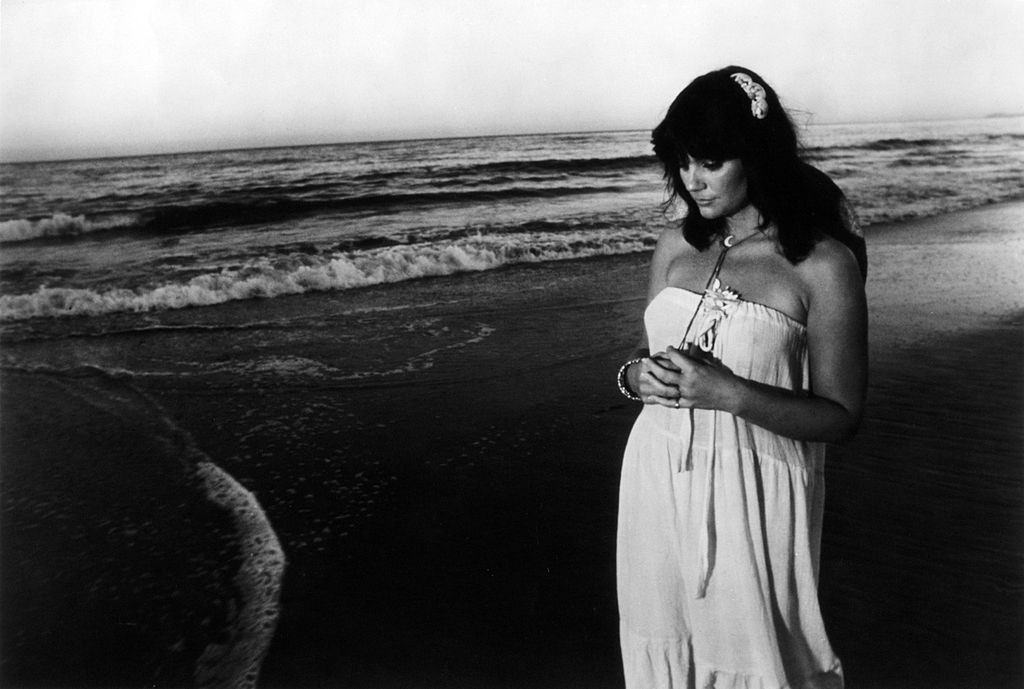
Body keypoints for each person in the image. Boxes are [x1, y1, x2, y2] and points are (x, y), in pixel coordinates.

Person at [614, 66, 867, 689]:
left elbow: (841, 415)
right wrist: (635, 377)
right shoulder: (674, 245)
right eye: (681, 161)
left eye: (710, 162)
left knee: (758, 660)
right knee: (665, 649)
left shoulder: (821, 265)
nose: (690, 180)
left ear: (756, 156)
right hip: (656, 478)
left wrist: (730, 393)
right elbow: (640, 359)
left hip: (755, 486)